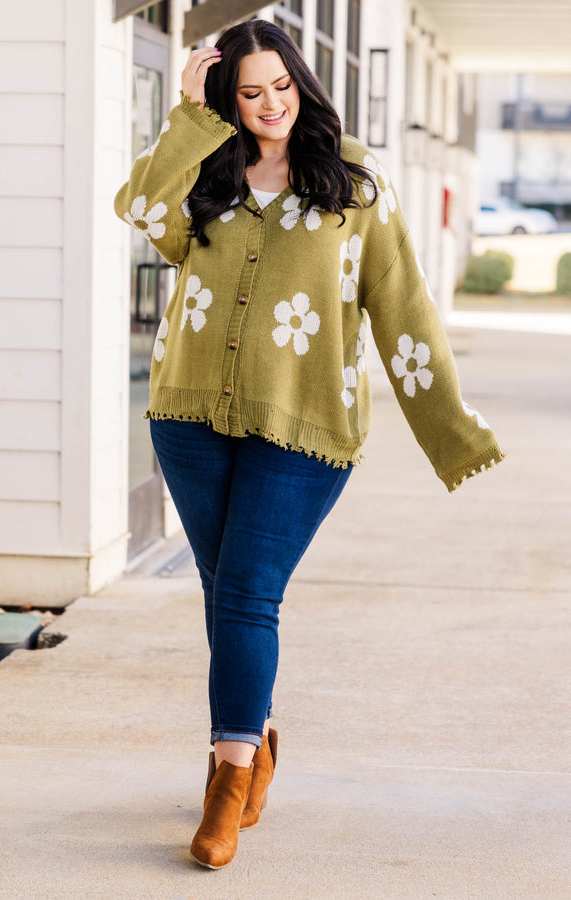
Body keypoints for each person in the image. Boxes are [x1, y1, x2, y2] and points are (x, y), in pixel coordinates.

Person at [115, 19, 504, 870]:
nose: (269, 105)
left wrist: (449, 427)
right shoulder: (206, 166)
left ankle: (225, 783)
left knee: (247, 593)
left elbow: (401, 304)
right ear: (228, 98)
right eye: (249, 92)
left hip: (305, 423)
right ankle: (252, 741)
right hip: (189, 417)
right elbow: (140, 208)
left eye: (281, 86)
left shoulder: (353, 178)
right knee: (228, 594)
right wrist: (189, 116)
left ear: (302, 80)